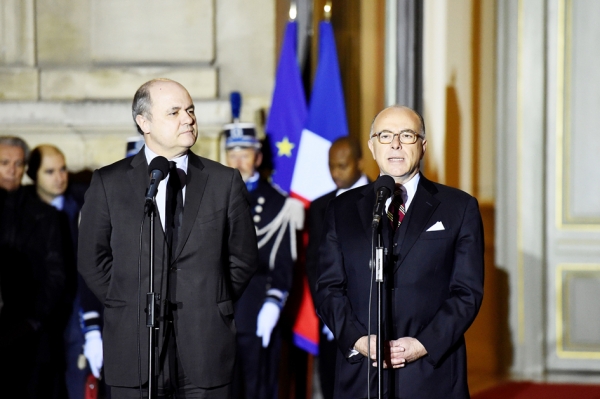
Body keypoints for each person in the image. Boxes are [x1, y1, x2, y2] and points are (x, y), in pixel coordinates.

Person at [77, 78, 259, 399]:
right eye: (174, 112)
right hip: (134, 346)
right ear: (143, 122)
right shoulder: (109, 183)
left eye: (190, 110)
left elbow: (242, 258)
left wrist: (212, 299)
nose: (188, 119)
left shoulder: (223, 181)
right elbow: (92, 260)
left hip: (206, 346)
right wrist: (128, 298)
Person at [315, 105, 484, 398]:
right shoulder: (341, 208)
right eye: (385, 136)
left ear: (423, 145)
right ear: (371, 145)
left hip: (432, 372)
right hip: (362, 373)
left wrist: (422, 344)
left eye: (406, 135)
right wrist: (357, 339)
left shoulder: (459, 207)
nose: (395, 144)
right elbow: (328, 287)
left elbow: (467, 292)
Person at [224, 123, 302, 398]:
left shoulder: (278, 204)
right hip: (219, 315)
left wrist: (273, 302)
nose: (238, 161)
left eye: (244, 154)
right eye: (232, 155)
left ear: (257, 157)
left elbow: (282, 264)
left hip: (256, 310)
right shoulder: (212, 199)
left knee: (258, 388)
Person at [27, 144, 105, 399]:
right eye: (50, 171)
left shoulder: (83, 200)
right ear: (33, 174)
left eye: (62, 169)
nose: (59, 177)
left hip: (78, 313)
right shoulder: (22, 208)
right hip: (40, 318)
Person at [0, 136, 67, 399]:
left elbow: (56, 275)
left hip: (28, 332)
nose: (12, 170)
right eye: (4, 162)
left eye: (18, 163)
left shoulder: (45, 214)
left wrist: (32, 321)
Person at [305, 136, 368, 399]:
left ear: (360, 162)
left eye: (342, 166)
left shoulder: (385, 197)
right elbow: (314, 266)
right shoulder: (320, 207)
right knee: (332, 384)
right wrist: (330, 314)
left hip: (371, 319)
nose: (335, 173)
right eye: (331, 166)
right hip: (333, 321)